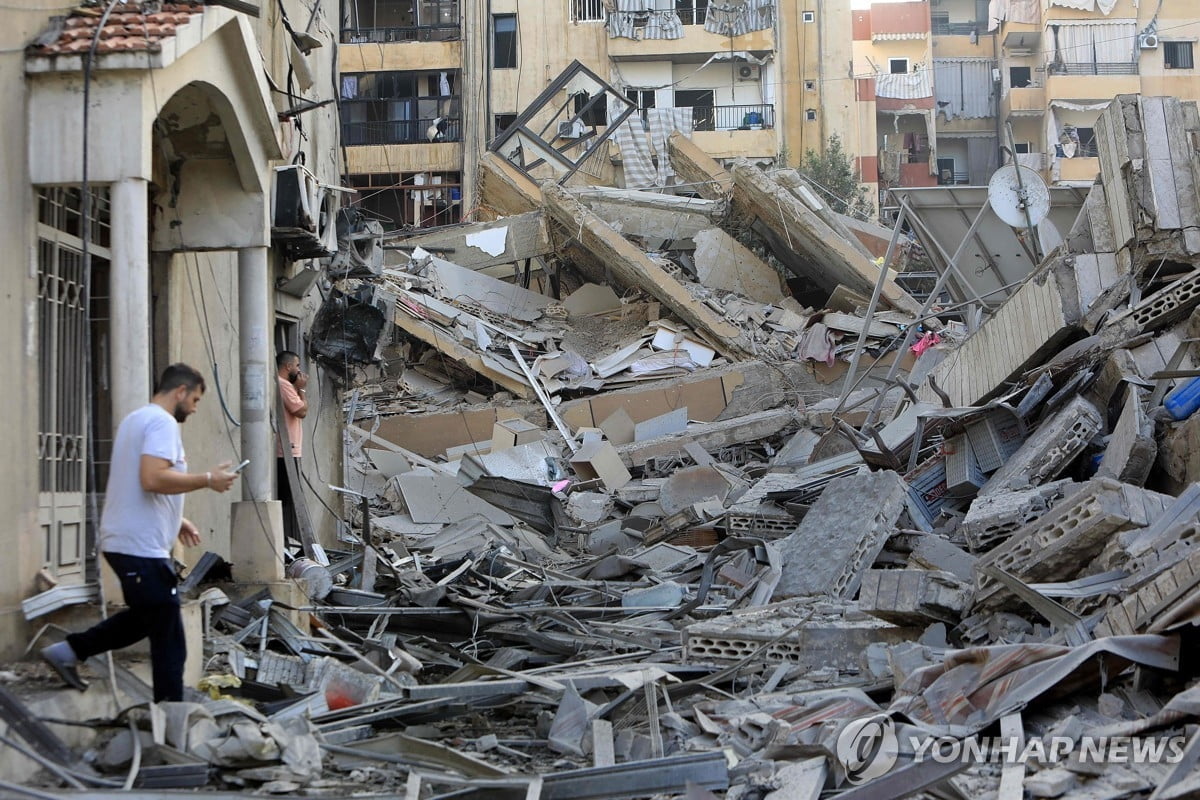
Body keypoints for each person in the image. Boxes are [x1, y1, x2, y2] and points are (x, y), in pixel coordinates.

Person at [40, 363, 239, 702]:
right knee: (170, 639)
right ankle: (171, 720)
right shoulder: (161, 423)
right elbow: (152, 478)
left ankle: (69, 651)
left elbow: (141, 482)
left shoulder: (137, 419)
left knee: (147, 619)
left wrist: (177, 520)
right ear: (180, 391)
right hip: (138, 548)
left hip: (131, 543)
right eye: (194, 399)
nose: (193, 408)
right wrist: (208, 480)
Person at [276, 350, 308, 543]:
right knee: (285, 499)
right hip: (287, 451)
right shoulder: (284, 385)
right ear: (288, 366)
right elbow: (301, 411)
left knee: (287, 499)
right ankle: (284, 542)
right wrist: (302, 390)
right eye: (296, 365)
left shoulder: (286, 386)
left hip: (289, 449)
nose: (298, 369)